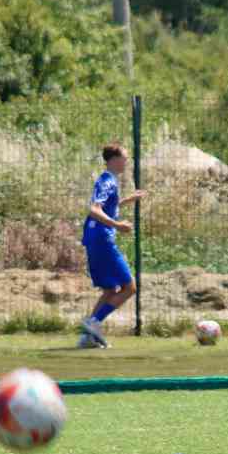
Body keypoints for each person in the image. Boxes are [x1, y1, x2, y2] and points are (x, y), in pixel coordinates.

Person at [78, 144, 146, 348]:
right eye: (125, 158)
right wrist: (118, 225)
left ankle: (87, 337)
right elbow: (94, 209)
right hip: (102, 239)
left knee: (109, 290)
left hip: (94, 238)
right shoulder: (107, 180)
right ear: (114, 159)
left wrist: (127, 200)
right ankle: (94, 322)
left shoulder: (108, 180)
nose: (127, 161)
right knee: (129, 287)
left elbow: (107, 207)